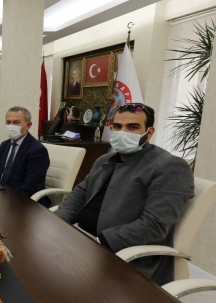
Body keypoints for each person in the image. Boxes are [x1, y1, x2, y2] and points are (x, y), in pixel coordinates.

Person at [55, 103, 194, 285]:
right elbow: (80, 194)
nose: (123, 132)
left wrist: (98, 242)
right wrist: (56, 223)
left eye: (133, 127)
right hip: (80, 239)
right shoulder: (104, 160)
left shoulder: (169, 167)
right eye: (117, 126)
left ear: (149, 132)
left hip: (120, 256)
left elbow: (154, 225)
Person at [0, 106, 50, 207]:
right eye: (8, 122)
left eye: (16, 122)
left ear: (28, 125)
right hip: (2, 196)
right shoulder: (5, 145)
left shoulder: (37, 150)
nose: (11, 126)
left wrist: (6, 198)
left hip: (25, 202)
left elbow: (30, 186)